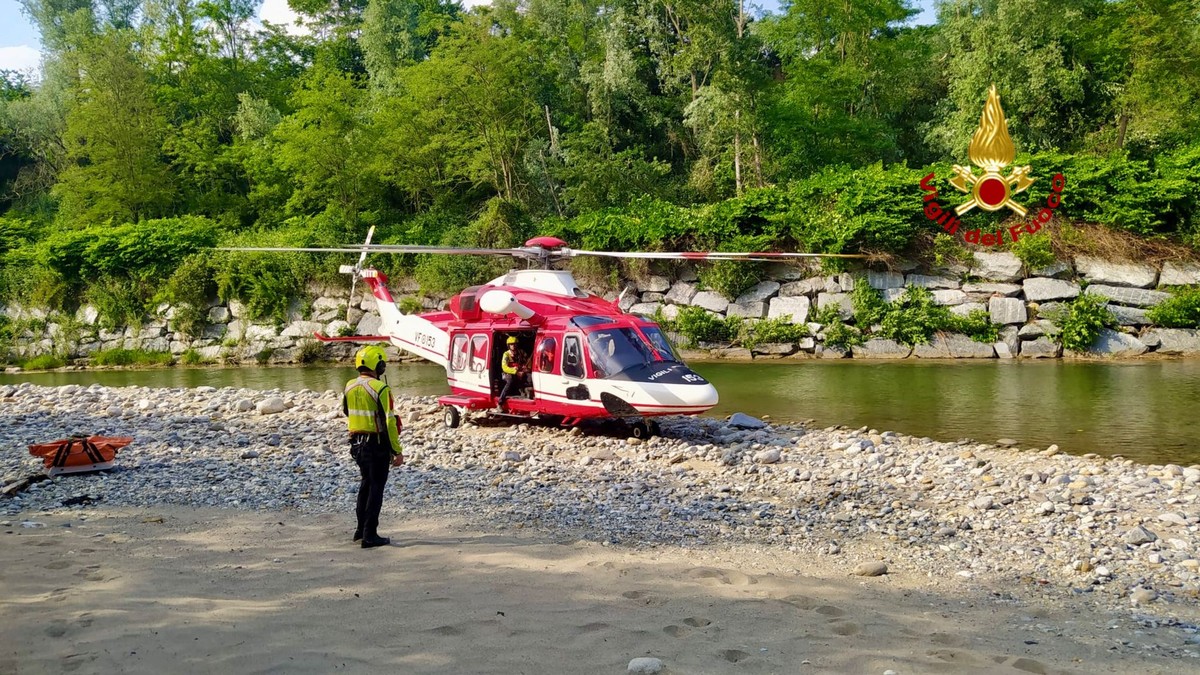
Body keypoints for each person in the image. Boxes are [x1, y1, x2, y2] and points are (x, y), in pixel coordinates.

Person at [342, 345, 404, 549]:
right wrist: (397, 450)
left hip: (357, 445)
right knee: (376, 488)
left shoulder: (349, 386)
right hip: (376, 445)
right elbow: (389, 422)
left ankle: (360, 531)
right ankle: (370, 535)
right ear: (378, 365)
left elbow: (346, 411)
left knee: (365, 485)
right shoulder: (381, 389)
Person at [498, 336, 526, 408]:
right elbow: (504, 367)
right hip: (507, 373)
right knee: (510, 381)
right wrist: (515, 372)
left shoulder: (521, 353)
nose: (513, 346)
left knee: (528, 378)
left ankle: (524, 395)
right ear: (508, 345)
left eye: (514, 344)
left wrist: (524, 369)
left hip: (519, 372)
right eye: (511, 344)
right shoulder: (506, 354)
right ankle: (500, 402)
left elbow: (526, 362)